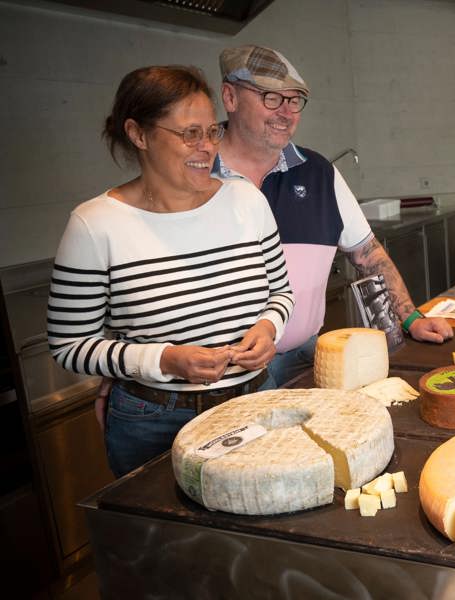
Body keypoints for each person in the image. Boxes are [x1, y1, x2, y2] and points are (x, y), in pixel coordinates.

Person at [47, 66, 295, 477]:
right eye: (189, 134)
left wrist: (269, 328)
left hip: (255, 402)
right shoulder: (95, 224)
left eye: (211, 132)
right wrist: (163, 360)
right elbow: (69, 345)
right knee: (169, 541)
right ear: (139, 134)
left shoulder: (245, 201)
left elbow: (281, 294)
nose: (206, 148)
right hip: (154, 420)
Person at [213, 45, 453, 387]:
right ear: (230, 97)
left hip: (306, 357)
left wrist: (410, 317)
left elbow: (367, 252)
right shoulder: (195, 174)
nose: (286, 111)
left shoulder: (318, 173)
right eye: (271, 98)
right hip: (225, 374)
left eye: (294, 100)